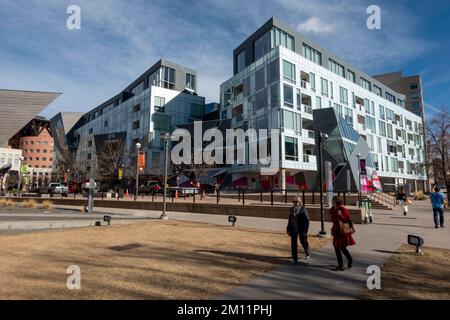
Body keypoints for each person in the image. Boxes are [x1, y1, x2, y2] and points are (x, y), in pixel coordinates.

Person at [331, 196, 355, 271]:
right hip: (336, 231)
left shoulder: (342, 208)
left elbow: (348, 219)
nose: (332, 202)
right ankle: (340, 265)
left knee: (342, 248)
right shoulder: (334, 209)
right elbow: (334, 221)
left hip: (342, 232)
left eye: (333, 201)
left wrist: (340, 215)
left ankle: (350, 259)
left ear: (335, 201)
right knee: (336, 248)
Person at [286, 197, 310, 264]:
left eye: (297, 202)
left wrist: (305, 231)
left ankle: (307, 252)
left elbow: (307, 220)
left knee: (303, 241)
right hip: (293, 229)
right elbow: (290, 219)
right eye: (294, 202)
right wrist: (288, 228)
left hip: (301, 229)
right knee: (293, 244)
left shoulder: (303, 209)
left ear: (300, 202)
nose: (296, 203)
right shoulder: (291, 209)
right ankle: (295, 258)